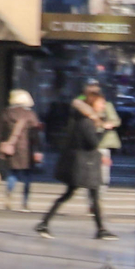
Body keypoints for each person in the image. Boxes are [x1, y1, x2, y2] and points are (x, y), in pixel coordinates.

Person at [36, 82, 118, 239]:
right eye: (101, 103)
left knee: (82, 196)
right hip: (84, 165)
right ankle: (44, 224)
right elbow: (94, 143)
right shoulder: (86, 122)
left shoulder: (84, 120)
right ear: (92, 103)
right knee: (80, 195)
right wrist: (105, 130)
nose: (103, 106)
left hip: (84, 163)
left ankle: (45, 223)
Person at [0, 89, 44, 210]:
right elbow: (35, 133)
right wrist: (38, 148)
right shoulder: (30, 114)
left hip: (12, 148)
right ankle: (25, 202)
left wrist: (2, 143)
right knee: (27, 176)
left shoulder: (6, 113)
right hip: (27, 149)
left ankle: (9, 193)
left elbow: (2, 131)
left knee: (12, 173)